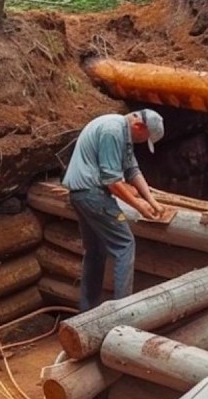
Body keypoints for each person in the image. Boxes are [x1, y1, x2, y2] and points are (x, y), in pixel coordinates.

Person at [61, 109, 167, 312]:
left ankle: (87, 311)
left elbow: (132, 170)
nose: (141, 143)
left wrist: (152, 201)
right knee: (125, 245)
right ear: (139, 126)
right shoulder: (112, 130)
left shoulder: (123, 132)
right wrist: (139, 206)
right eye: (144, 138)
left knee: (95, 251)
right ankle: (123, 312)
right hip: (93, 195)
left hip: (82, 195)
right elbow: (112, 181)